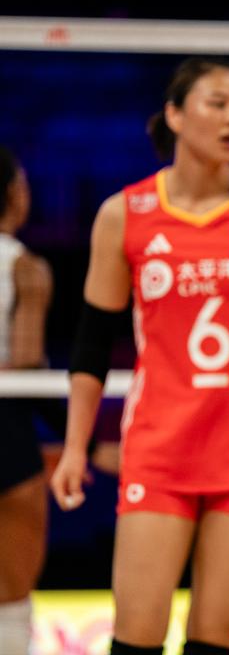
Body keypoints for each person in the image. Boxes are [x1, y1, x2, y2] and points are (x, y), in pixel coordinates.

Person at [49, 57, 229, 655]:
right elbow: (92, 345)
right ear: (176, 116)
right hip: (161, 447)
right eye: (218, 103)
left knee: (212, 641)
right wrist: (76, 447)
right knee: (137, 638)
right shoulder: (125, 213)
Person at [0, 146, 53, 654]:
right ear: (16, 195)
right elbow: (28, 361)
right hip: (7, 436)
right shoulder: (25, 268)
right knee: (11, 600)